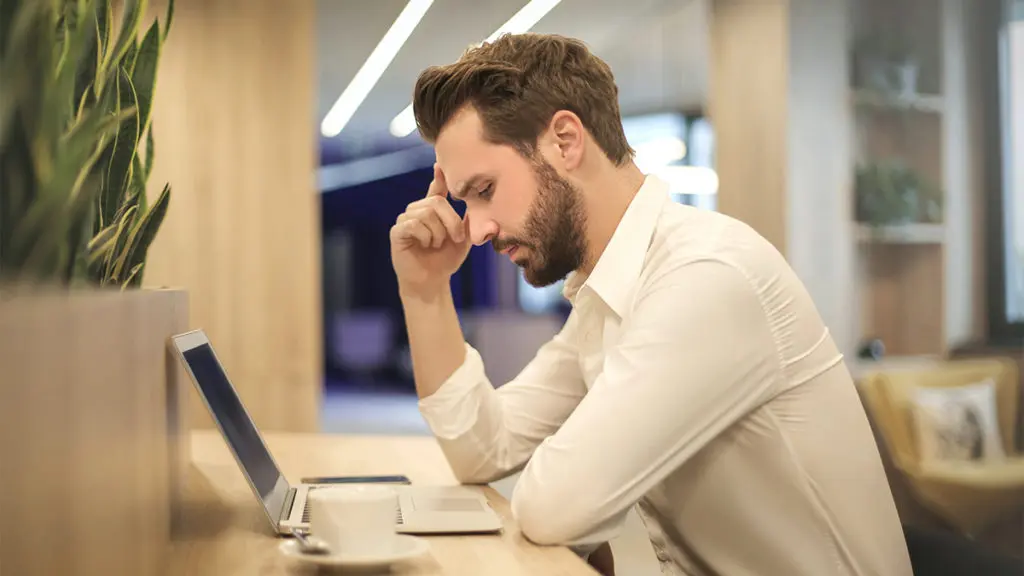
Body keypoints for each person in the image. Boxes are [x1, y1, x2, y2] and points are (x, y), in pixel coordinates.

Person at [389, 32, 912, 576]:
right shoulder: (608, 295)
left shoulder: (706, 276)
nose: (475, 231)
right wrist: (424, 290)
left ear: (565, 141)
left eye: (486, 190)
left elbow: (553, 507)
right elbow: (484, 449)